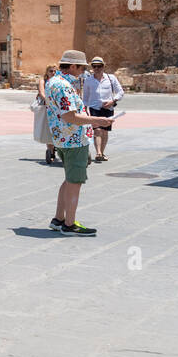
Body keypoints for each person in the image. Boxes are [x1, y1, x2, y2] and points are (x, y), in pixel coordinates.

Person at [44, 49, 113, 236]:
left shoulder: (52, 82)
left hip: (62, 138)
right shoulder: (64, 86)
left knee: (69, 179)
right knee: (75, 182)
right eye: (81, 68)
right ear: (72, 66)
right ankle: (69, 224)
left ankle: (58, 219)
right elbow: (69, 116)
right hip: (73, 139)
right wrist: (98, 121)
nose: (83, 71)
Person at [83, 57, 124, 163]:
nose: (97, 68)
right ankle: (98, 153)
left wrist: (113, 101)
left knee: (105, 131)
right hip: (94, 108)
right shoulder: (88, 80)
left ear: (104, 66)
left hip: (108, 108)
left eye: (99, 66)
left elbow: (120, 92)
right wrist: (85, 109)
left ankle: (102, 152)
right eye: (94, 66)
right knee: (97, 130)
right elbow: (85, 97)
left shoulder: (111, 78)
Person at [36, 65, 58, 165]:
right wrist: (48, 101)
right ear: (47, 72)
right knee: (49, 129)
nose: (53, 73)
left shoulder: (59, 80)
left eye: (54, 71)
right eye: (51, 71)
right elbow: (41, 92)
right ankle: (51, 151)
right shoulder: (43, 81)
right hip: (47, 107)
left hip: (58, 107)